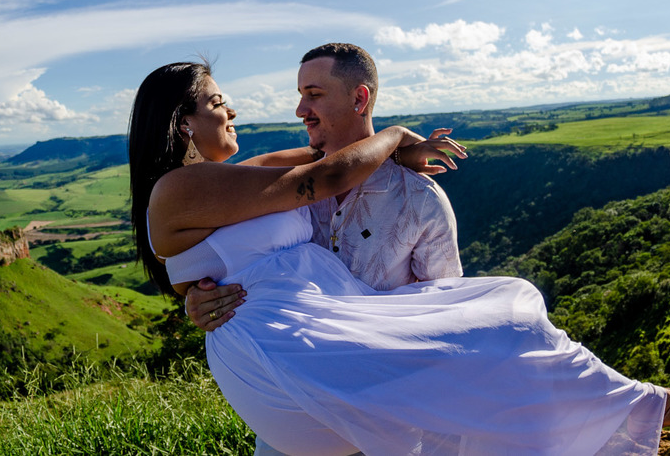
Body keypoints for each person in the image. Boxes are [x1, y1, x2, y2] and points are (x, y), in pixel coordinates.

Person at [131, 61, 670, 456]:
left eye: (314, 94)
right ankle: (636, 405)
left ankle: (629, 401)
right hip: (291, 350)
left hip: (310, 337)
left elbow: (322, 158)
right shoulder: (177, 189)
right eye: (217, 103)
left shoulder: (229, 179)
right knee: (503, 323)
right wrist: (398, 134)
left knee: (499, 321)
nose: (232, 111)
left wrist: (393, 153)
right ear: (184, 123)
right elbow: (325, 176)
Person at [184, 43, 464, 456]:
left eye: (313, 95)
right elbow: (232, 260)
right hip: (289, 423)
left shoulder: (419, 200)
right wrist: (198, 297)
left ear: (359, 98)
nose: (300, 110)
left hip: (381, 425)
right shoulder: (280, 188)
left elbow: (444, 318)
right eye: (300, 95)